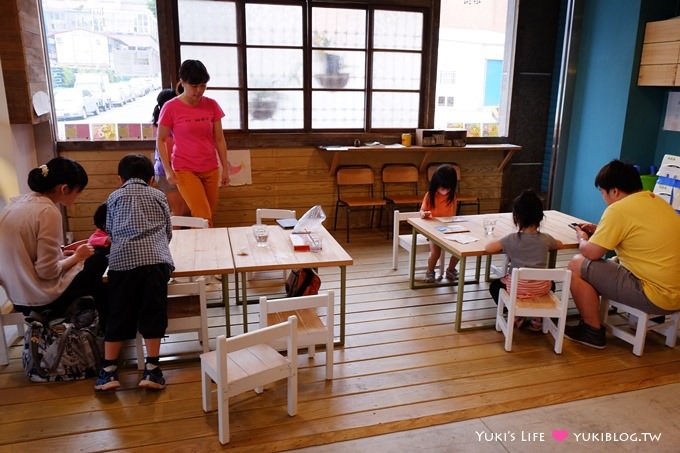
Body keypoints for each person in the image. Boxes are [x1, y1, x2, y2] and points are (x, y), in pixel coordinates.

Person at [566, 159, 680, 349]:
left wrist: (582, 238)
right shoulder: (656, 201)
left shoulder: (618, 209)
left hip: (653, 295)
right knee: (608, 261)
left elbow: (592, 253)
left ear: (615, 191)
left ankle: (591, 330)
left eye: (602, 192)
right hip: (676, 292)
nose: (603, 197)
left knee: (578, 264)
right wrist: (598, 230)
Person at [95, 154, 174, 391]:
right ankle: (152, 369)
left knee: (118, 313)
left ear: (120, 179)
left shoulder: (114, 197)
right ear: (151, 179)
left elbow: (109, 229)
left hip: (121, 264)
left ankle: (109, 370)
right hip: (155, 262)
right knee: (153, 312)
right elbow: (168, 230)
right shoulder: (158, 195)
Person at [0, 157, 107, 321]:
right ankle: (103, 328)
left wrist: (64, 252)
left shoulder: (15, 204)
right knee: (100, 258)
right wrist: (77, 257)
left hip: (16, 297)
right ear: (64, 188)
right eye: (78, 192)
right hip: (40, 299)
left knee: (92, 260)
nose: (76, 197)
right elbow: (47, 272)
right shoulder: (47, 211)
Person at [156, 59, 229, 227]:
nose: (199, 91)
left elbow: (219, 139)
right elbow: (160, 140)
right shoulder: (170, 107)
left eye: (203, 86)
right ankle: (210, 251)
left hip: (210, 167)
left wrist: (225, 168)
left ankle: (202, 249)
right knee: (203, 217)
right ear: (182, 83)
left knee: (207, 215)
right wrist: (168, 170)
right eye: (194, 86)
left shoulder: (212, 105)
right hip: (185, 169)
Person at [484, 189, 563, 331]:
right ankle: (537, 317)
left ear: (516, 218)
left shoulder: (511, 239)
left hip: (517, 288)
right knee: (551, 284)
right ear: (540, 217)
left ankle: (513, 315)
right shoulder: (546, 239)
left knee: (495, 286)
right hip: (540, 288)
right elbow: (559, 244)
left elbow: (489, 248)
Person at [152, 88, 189, 218]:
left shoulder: (162, 122)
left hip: (166, 171)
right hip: (167, 172)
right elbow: (167, 154)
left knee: (181, 211)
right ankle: (175, 237)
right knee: (178, 212)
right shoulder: (167, 125)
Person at [420, 164, 460, 282]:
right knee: (435, 253)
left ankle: (451, 269)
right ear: (435, 184)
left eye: (448, 188)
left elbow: (452, 215)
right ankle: (430, 271)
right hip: (432, 230)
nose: (444, 191)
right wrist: (424, 214)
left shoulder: (452, 197)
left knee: (460, 250)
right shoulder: (430, 195)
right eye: (442, 188)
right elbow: (422, 211)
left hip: (449, 230)